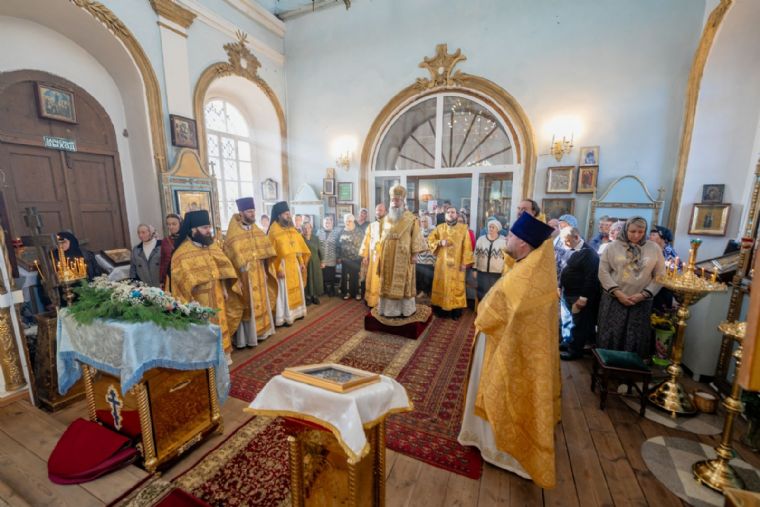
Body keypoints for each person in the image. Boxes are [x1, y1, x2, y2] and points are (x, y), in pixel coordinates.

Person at [458, 211, 559, 489]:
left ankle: (499, 448)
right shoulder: (532, 267)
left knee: (501, 394)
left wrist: (481, 317)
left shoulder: (525, 275)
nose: (507, 239)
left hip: (505, 347)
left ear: (524, 244)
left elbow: (490, 314)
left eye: (512, 236)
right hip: (513, 345)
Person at [170, 210, 242, 362]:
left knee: (221, 327)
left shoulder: (211, 245)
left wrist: (223, 288)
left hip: (217, 295)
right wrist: (189, 302)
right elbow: (180, 285)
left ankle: (224, 357)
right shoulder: (181, 254)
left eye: (209, 227)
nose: (208, 231)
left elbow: (222, 269)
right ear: (193, 230)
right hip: (200, 301)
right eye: (204, 228)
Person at [597, 216, 665, 357]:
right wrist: (618, 293)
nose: (636, 235)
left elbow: (660, 275)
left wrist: (644, 294)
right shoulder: (612, 247)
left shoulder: (654, 248)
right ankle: (608, 367)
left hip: (641, 301)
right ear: (626, 229)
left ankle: (631, 372)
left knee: (635, 337)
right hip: (614, 299)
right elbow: (603, 272)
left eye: (641, 232)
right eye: (632, 231)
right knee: (611, 333)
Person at [223, 197, 276, 348]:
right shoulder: (233, 234)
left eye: (253, 211)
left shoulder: (256, 229)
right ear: (241, 213)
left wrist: (265, 269)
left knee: (261, 301)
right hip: (244, 275)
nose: (253, 214)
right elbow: (230, 258)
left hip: (258, 272)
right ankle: (248, 338)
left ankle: (263, 331)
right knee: (248, 304)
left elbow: (266, 251)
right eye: (249, 211)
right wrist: (238, 277)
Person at [377, 185, 425, 317]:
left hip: (404, 256)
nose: (395, 202)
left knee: (404, 282)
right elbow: (380, 237)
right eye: (393, 200)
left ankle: (404, 310)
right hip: (387, 256)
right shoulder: (384, 219)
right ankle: (388, 310)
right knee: (387, 280)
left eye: (397, 200)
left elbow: (416, 236)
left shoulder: (411, 219)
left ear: (403, 201)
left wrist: (415, 254)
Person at [558, 227, 600, 360]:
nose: (565, 244)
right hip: (567, 293)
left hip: (578, 295)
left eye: (567, 241)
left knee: (578, 324)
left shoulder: (589, 253)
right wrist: (559, 286)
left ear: (576, 237)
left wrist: (583, 298)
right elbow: (562, 269)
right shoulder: (569, 249)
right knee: (567, 321)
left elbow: (591, 277)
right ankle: (567, 342)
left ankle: (575, 350)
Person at [267, 201, 311, 326]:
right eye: (286, 214)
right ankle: (286, 317)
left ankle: (298, 313)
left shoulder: (292, 230)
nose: (289, 216)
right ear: (279, 215)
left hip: (294, 265)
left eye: (289, 213)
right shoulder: (273, 232)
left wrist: (301, 262)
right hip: (283, 266)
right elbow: (271, 254)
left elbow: (298, 248)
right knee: (284, 293)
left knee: (297, 290)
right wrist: (277, 268)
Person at [429, 206, 474, 319]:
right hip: (442, 265)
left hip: (457, 264)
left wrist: (465, 263)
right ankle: (441, 312)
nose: (450, 214)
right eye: (448, 212)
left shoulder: (463, 229)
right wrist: (440, 242)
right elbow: (430, 240)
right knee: (442, 285)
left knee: (456, 287)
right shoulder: (439, 228)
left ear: (456, 215)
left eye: (453, 212)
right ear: (445, 215)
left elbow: (467, 247)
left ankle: (455, 312)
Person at [473, 219, 507, 300]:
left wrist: (505, 271)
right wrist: (474, 269)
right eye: (489, 227)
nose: (490, 229)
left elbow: (506, 257)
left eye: (493, 227)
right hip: (482, 271)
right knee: (481, 292)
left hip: (497, 272)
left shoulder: (503, 241)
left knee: (494, 294)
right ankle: (481, 311)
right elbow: (476, 254)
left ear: (497, 229)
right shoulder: (481, 239)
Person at [360, 203, 386, 307]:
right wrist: (365, 256)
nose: (378, 212)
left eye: (380, 210)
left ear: (385, 212)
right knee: (373, 278)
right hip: (373, 258)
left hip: (385, 258)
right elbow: (366, 241)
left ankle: (383, 301)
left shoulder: (390, 225)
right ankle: (372, 301)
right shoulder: (372, 226)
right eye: (377, 210)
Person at [336, 213, 363, 301]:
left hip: (356, 258)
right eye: (346, 221)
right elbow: (338, 245)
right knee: (346, 276)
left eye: (350, 221)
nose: (348, 223)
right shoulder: (341, 231)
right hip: (345, 258)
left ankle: (357, 293)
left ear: (353, 221)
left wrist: (363, 257)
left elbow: (364, 244)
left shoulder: (359, 231)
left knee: (356, 276)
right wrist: (338, 256)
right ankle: (347, 293)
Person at [316, 215, 340, 297]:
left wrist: (338, 256)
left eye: (329, 222)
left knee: (331, 275)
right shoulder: (319, 232)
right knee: (322, 275)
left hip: (332, 257)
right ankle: (324, 289)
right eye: (326, 222)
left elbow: (338, 246)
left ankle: (332, 290)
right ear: (323, 223)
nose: (327, 224)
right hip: (321, 258)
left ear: (332, 223)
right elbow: (317, 245)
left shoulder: (336, 233)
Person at [301, 221, 323, 305]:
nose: (307, 230)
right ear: (302, 229)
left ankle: (315, 296)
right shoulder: (300, 238)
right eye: (305, 228)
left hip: (315, 261)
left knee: (315, 279)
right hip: (304, 263)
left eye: (308, 228)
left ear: (311, 228)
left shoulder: (315, 238)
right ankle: (308, 297)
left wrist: (322, 260)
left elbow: (320, 250)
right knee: (307, 279)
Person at [415, 214, 436, 296]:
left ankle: (426, 291)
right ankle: (420, 291)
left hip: (430, 258)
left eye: (425, 221)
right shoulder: (419, 231)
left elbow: (434, 244)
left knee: (427, 277)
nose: (423, 223)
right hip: (420, 258)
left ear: (429, 221)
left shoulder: (434, 231)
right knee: (420, 276)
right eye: (422, 221)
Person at [159, 213, 181, 288]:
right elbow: (163, 261)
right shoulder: (165, 241)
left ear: (180, 224)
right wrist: (161, 280)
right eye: (168, 224)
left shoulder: (187, 239)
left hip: (184, 276)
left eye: (174, 224)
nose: (171, 227)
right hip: (169, 277)